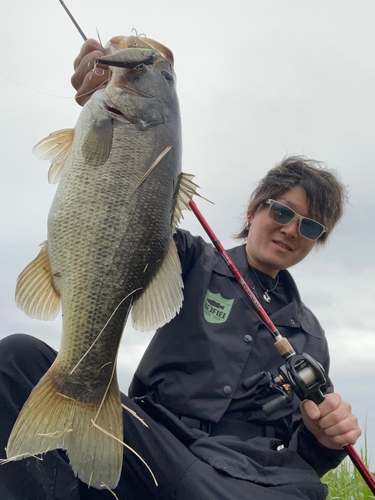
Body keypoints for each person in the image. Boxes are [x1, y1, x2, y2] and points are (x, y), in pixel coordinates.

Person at [0, 39, 362, 500]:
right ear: (252, 211)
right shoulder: (189, 258)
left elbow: (305, 454)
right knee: (17, 359)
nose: (291, 229)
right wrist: (100, 103)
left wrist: (325, 439)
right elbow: (123, 220)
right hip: (152, 442)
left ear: (318, 240)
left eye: (310, 225)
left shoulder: (311, 338)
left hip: (243, 479)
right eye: (282, 211)